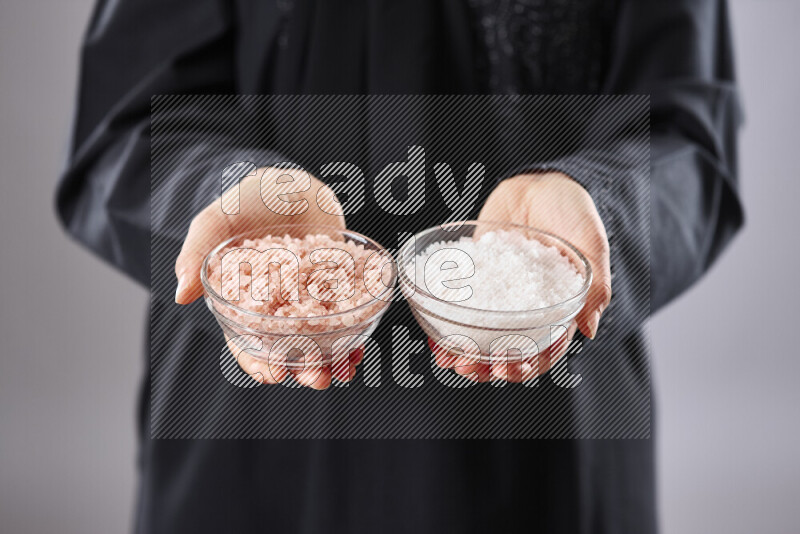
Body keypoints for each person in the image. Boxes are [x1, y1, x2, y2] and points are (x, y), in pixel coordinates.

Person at [57, 1, 743, 532]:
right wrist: (226, 195)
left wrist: (601, 208)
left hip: (545, 426)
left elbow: (684, 130)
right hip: (251, 429)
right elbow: (129, 118)